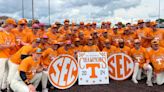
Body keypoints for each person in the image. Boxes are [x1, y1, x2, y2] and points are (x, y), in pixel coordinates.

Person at [0, 18, 16, 91]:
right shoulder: (1, 33)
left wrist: (8, 46)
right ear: (9, 24)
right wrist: (9, 46)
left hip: (8, 56)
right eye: (13, 25)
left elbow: (13, 46)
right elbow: (0, 47)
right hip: (1, 56)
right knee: (1, 73)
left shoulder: (12, 34)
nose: (13, 27)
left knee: (6, 72)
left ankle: (3, 87)